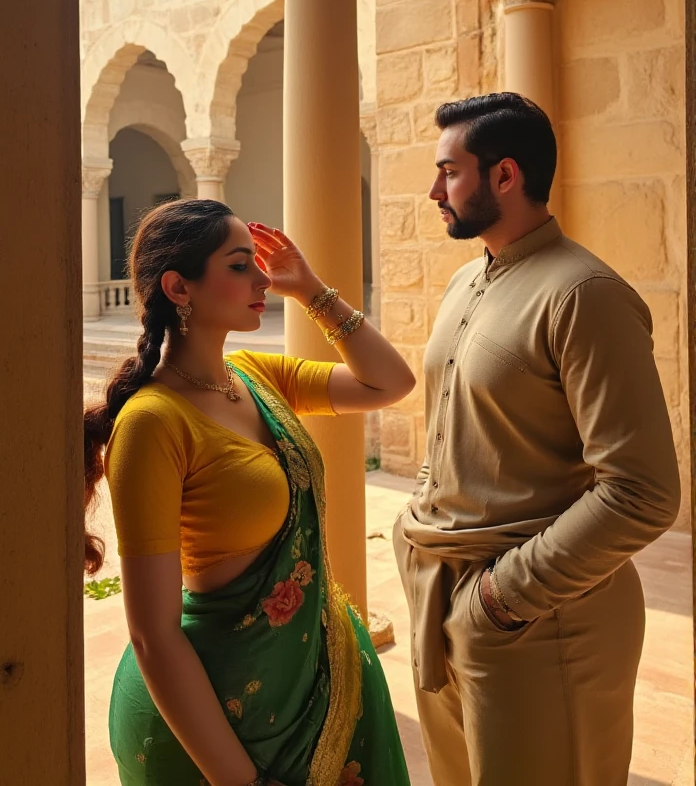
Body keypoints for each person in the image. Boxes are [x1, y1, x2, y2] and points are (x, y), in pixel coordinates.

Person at [393, 93, 681, 786]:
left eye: (449, 172)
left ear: (505, 176)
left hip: (538, 618)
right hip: (447, 602)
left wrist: (502, 598)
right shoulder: (467, 280)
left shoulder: (584, 294)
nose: (434, 191)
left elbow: (642, 492)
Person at [84, 198, 415, 786]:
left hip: (307, 684)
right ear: (178, 288)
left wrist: (312, 289)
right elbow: (151, 634)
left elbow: (390, 381)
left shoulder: (256, 379)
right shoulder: (154, 422)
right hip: (218, 723)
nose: (264, 278)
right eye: (240, 266)